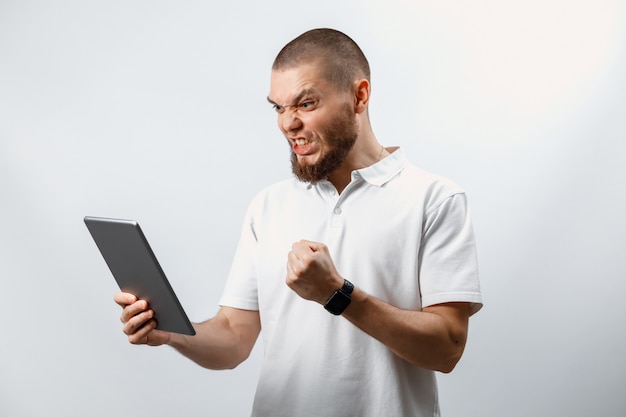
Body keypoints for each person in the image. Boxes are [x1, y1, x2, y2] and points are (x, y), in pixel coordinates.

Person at [115, 28, 482, 417]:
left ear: (359, 96)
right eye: (278, 107)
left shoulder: (434, 198)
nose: (287, 123)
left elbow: (447, 348)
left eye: (305, 104)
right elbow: (234, 338)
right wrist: (173, 333)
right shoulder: (268, 205)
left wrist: (337, 294)